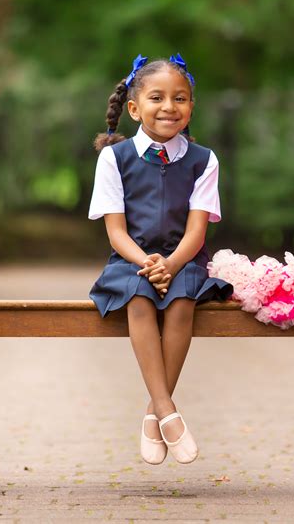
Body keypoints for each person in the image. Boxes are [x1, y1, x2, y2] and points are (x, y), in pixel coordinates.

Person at [88, 53, 233, 465]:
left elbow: (196, 231)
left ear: (191, 107)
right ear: (134, 108)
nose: (170, 106)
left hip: (184, 259)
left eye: (181, 98)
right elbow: (116, 232)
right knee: (138, 296)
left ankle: (155, 412)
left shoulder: (204, 160)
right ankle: (167, 410)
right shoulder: (113, 159)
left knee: (183, 298)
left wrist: (170, 265)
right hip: (129, 260)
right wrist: (149, 265)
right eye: (157, 97)